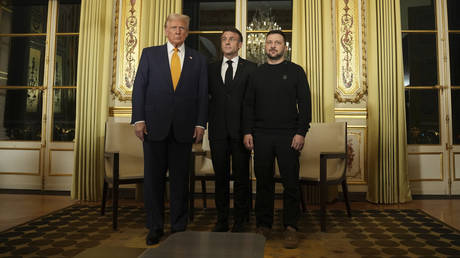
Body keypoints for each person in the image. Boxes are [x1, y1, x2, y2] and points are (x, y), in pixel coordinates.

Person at [131, 13, 208, 246]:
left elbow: (203, 94)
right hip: (153, 127)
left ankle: (178, 226)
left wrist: (200, 123)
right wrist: (139, 120)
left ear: (187, 32)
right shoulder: (149, 54)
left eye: (182, 28)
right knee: (153, 180)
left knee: (179, 180)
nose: (178, 32)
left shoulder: (198, 58)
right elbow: (139, 89)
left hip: (184, 129)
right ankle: (154, 226)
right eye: (174, 27)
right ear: (166, 30)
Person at [242, 30, 311, 249]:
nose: (273, 46)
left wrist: (301, 132)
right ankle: (264, 225)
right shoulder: (256, 73)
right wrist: (247, 131)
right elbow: (248, 106)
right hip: (261, 135)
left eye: (277, 43)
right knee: (263, 183)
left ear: (285, 47)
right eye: (269, 43)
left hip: (289, 136)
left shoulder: (296, 71)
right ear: (265, 47)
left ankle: (291, 227)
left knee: (291, 183)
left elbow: (306, 105)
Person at [207, 28, 257, 232]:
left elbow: (253, 103)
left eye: (232, 39)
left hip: (241, 133)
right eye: (224, 39)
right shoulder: (210, 68)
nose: (227, 42)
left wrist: (249, 130)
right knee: (220, 178)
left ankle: (240, 220)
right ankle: (221, 219)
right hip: (218, 132)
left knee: (242, 178)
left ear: (240, 45)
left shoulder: (251, 68)